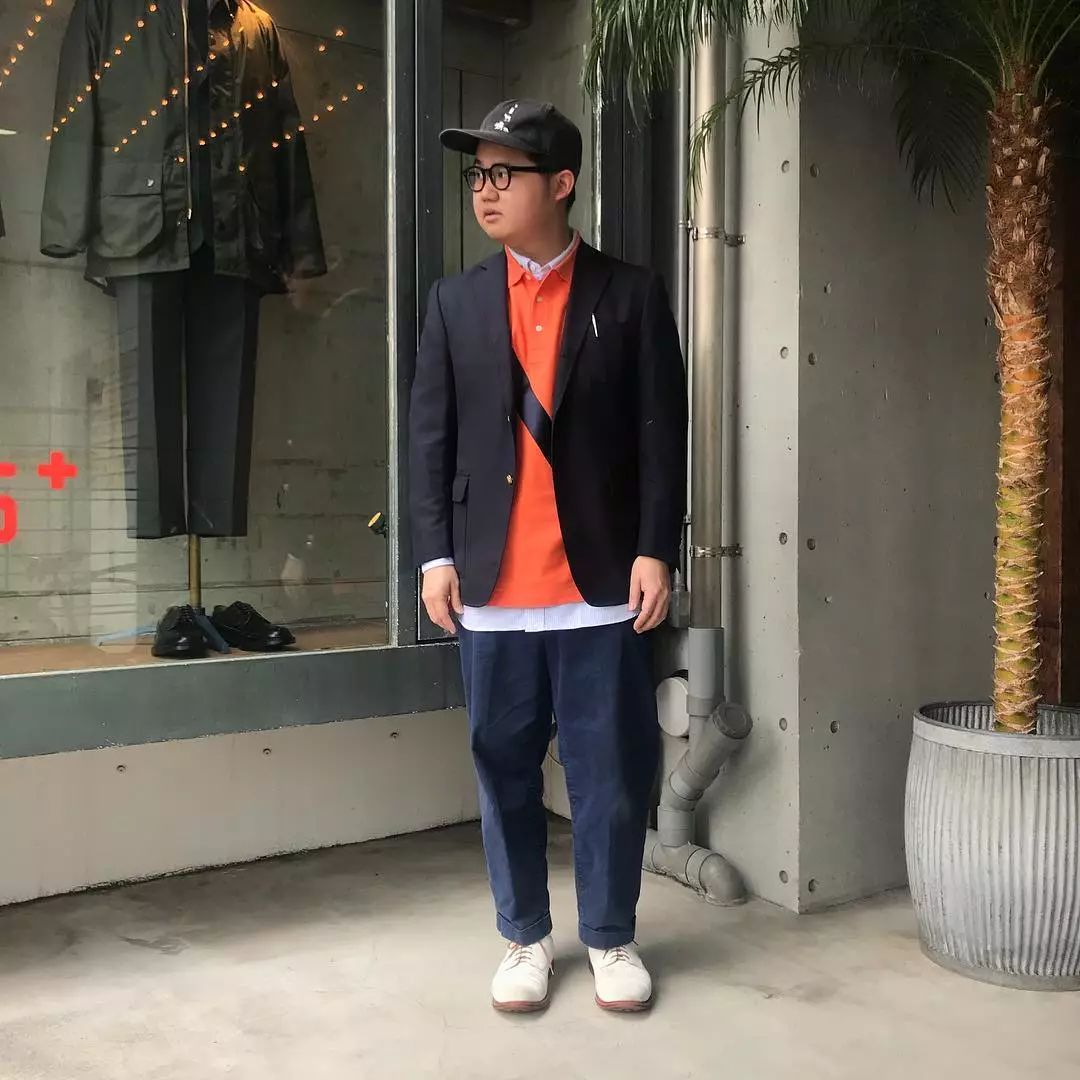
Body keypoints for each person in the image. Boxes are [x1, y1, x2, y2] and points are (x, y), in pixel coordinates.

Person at [409, 99, 687, 1014]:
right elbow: (430, 440)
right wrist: (434, 555)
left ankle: (609, 936)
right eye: (477, 174)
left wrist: (656, 548)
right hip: (491, 586)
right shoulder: (455, 301)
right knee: (503, 768)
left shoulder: (631, 294)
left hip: (599, 584)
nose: (484, 191)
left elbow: (661, 436)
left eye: (505, 173)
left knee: (610, 774)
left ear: (560, 183)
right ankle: (524, 936)